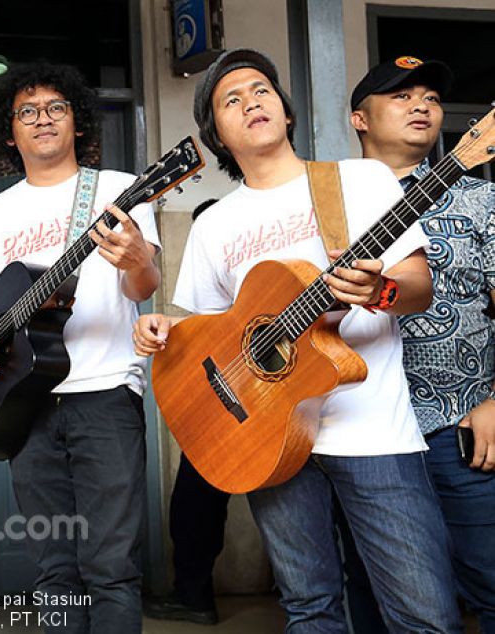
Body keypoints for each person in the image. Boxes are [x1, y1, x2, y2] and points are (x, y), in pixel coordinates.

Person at [134, 48, 461, 632]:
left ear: (285, 113)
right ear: (217, 135)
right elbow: (211, 331)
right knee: (309, 609)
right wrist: (163, 328)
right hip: (269, 436)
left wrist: (378, 289)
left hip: (373, 433)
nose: (249, 102)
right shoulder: (214, 224)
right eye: (230, 100)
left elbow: (418, 286)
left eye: (260, 90)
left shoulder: (358, 180)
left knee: (425, 616)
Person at [0, 62, 161, 634]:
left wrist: (137, 261)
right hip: (24, 404)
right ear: (11, 132)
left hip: (104, 396)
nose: (43, 120)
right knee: (53, 568)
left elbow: (143, 287)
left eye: (56, 108)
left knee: (111, 567)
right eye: (27, 112)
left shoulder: (117, 191)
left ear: (77, 122)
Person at [351, 55, 495, 632]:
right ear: (359, 119)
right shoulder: (326, 199)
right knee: (370, 597)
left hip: (459, 427)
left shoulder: (482, 202)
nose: (421, 105)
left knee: (488, 582)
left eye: (431, 99)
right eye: (401, 95)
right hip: (361, 436)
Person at [143, 200, 227, 628]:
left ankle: (193, 596)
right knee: (195, 502)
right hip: (224, 398)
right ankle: (193, 595)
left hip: (249, 399)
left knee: (196, 504)